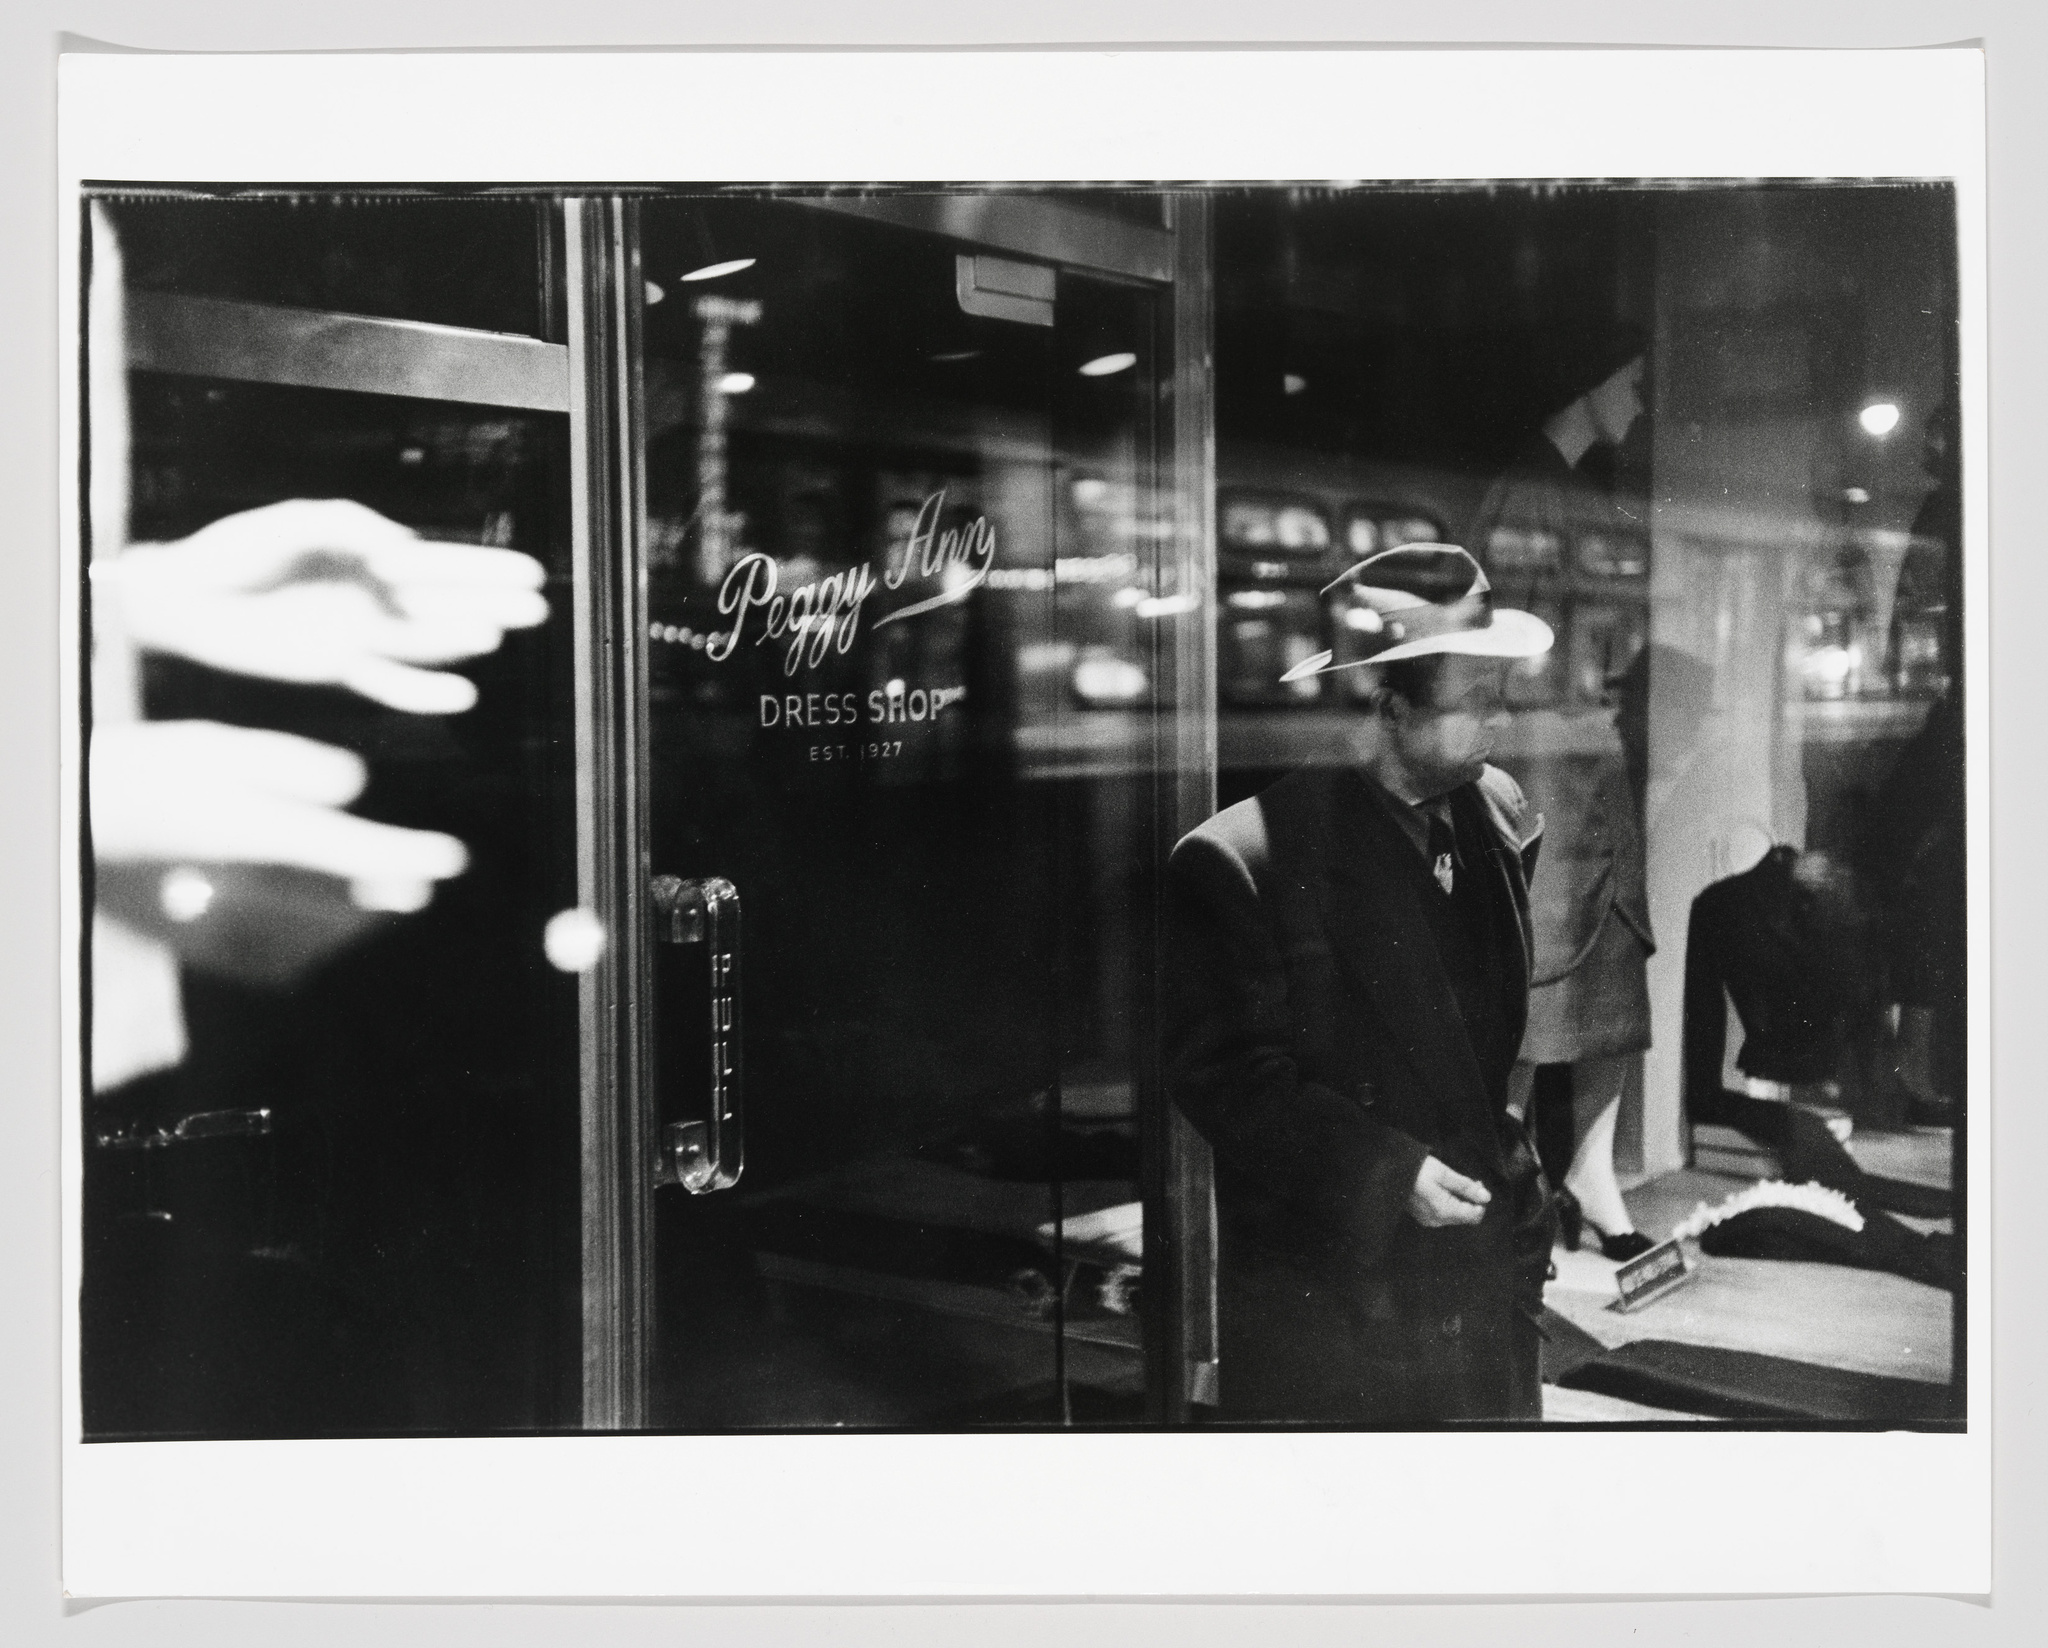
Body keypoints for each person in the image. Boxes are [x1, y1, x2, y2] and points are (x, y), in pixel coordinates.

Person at [1164, 544, 1557, 1425]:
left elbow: (1486, 1034)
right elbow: (1229, 1079)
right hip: (1341, 1286)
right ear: (1388, 707)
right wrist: (1388, 1174)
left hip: (1478, 1267)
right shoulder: (1242, 862)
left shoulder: (1496, 809)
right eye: (1476, 699)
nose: (1503, 718)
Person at [1466, 331, 1656, 1261]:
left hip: (1587, 761)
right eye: (1632, 378)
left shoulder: (1575, 489)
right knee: (1532, 980)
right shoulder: (1523, 490)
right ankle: (1509, 1182)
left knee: (1609, 966)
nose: (1643, 398)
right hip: (1541, 766)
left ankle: (1590, 1175)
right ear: (1585, 379)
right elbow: (1492, 650)